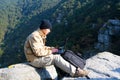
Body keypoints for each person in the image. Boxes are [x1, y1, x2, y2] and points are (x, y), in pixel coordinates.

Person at [24, 19, 89, 77]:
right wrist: (52, 51)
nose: (49, 31)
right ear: (44, 28)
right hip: (34, 60)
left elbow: (42, 47)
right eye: (49, 29)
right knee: (55, 58)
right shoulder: (35, 36)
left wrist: (53, 49)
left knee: (58, 55)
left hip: (37, 57)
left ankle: (64, 73)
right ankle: (75, 72)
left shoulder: (39, 35)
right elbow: (38, 52)